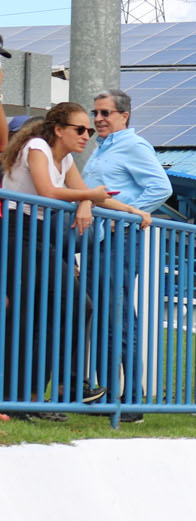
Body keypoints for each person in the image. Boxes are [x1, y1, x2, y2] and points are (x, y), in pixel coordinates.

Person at [2, 103, 151, 408]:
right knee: (35, 315)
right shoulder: (37, 146)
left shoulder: (65, 158)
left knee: (73, 308)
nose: (87, 135)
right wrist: (88, 197)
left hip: (41, 237)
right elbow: (47, 191)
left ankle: (50, 390)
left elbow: (89, 193)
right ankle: (32, 394)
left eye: (90, 131)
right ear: (58, 129)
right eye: (80, 129)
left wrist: (132, 210)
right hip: (18, 234)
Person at [83, 88, 174, 412]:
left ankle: (131, 397)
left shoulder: (133, 145)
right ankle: (110, 393)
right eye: (95, 113)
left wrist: (126, 212)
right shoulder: (100, 149)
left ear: (124, 116)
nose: (98, 119)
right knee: (108, 316)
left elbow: (162, 187)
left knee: (117, 317)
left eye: (105, 113)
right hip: (98, 242)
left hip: (118, 241)